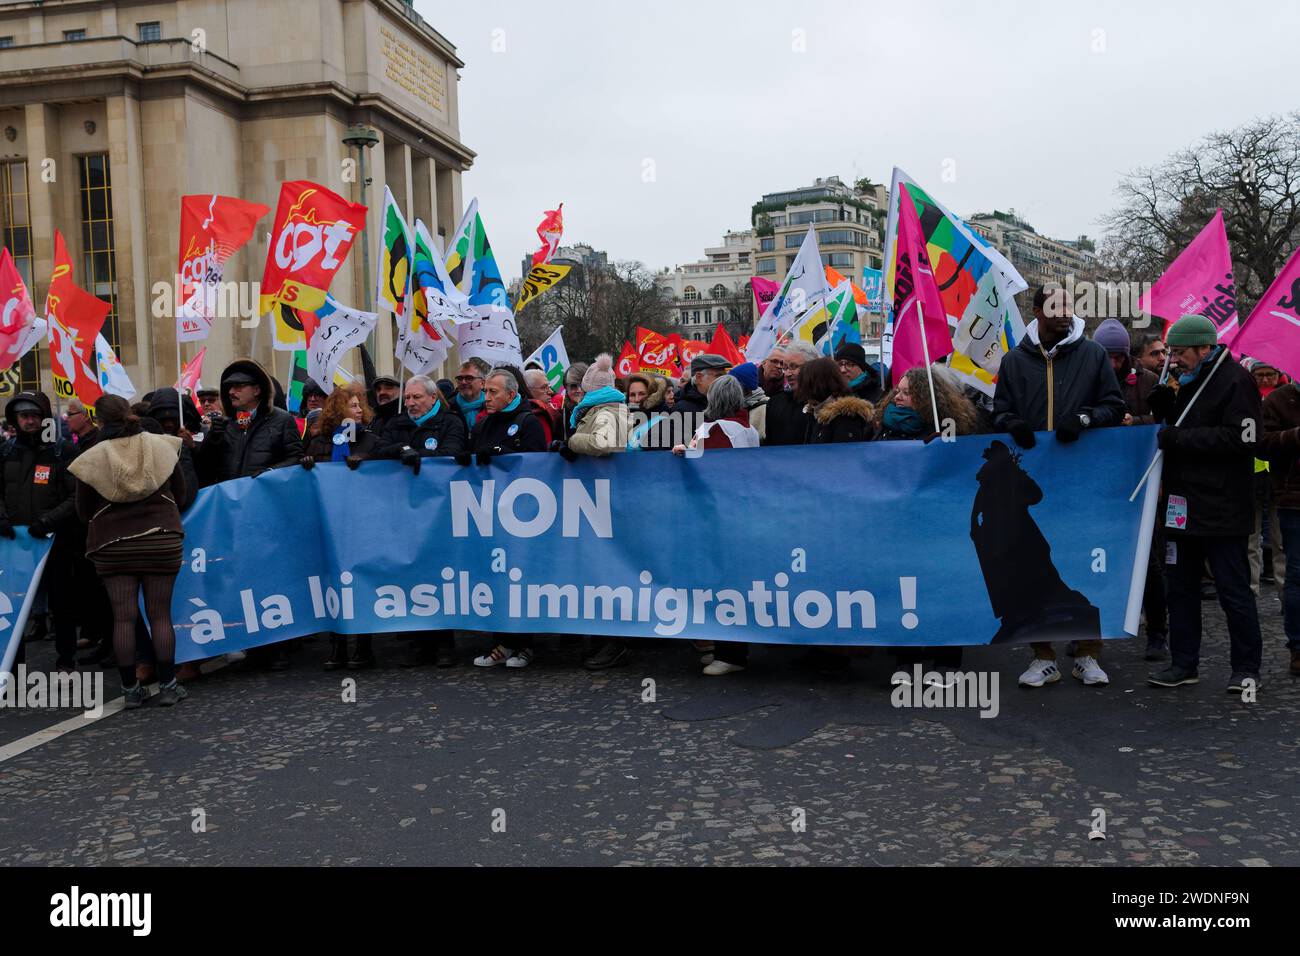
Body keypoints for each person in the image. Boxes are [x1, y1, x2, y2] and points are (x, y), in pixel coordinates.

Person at [993, 284, 1125, 689]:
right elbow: (999, 413)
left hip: (1082, 479)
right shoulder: (1015, 361)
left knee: (1084, 563)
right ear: (1037, 312)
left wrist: (1084, 420)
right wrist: (1012, 424)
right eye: (1056, 308)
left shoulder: (1093, 354)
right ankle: (1042, 655)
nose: (1065, 314)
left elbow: (1114, 406)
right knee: (1035, 569)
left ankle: (1088, 653)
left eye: (1069, 307)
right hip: (1033, 482)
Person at [1146, 315, 1263, 694]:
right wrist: (1163, 408)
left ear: (1205, 348)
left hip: (1224, 508)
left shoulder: (1236, 380)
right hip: (1183, 506)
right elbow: (1173, 429)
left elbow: (1242, 439)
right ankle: (1183, 663)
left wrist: (1180, 438)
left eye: (1180, 353)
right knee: (1180, 588)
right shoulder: (1185, 382)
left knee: (1233, 591)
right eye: (1172, 353)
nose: (1175, 360)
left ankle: (1246, 667)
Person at [68, 395, 191, 709]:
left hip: (114, 545)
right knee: (160, 615)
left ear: (99, 420)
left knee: (123, 619)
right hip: (160, 540)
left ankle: (130, 691)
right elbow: (181, 493)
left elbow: (83, 512)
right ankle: (168, 685)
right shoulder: (162, 446)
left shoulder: (92, 457)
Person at [667, 374, 759, 676]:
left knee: (722, 583)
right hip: (739, 515)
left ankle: (730, 653)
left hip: (719, 517)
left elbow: (710, 469)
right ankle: (729, 649)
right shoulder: (748, 429)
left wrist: (686, 454)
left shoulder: (718, 429)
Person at [372, 375, 467, 668]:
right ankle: (417, 642)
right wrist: (402, 451)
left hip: (439, 510)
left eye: (417, 398)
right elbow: (379, 451)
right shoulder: (397, 424)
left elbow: (452, 453)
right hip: (403, 511)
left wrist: (421, 455)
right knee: (410, 574)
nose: (411, 403)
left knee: (439, 575)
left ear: (432, 398)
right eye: (408, 398)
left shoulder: (450, 422)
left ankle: (443, 643)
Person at [555, 355, 632, 670]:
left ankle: (612, 644)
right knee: (593, 573)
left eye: (580, 388)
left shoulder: (609, 410)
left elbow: (606, 442)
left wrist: (572, 442)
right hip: (594, 500)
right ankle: (600, 640)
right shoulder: (594, 409)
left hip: (608, 501)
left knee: (607, 575)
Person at [299, 384, 380, 669]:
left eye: (360, 406)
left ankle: (364, 646)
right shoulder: (320, 441)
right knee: (332, 583)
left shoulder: (369, 440)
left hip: (360, 525)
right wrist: (307, 462)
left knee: (360, 582)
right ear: (338, 410)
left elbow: (382, 470)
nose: (359, 411)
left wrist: (366, 461)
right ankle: (338, 646)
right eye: (353, 405)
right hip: (329, 523)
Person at [0, 391, 78, 670]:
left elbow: (76, 496)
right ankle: (13, 664)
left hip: (53, 542)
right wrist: (2, 519)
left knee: (62, 602)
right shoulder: (5, 451)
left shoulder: (61, 450)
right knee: (13, 605)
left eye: (34, 416)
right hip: (14, 545)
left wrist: (49, 522)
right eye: (24, 416)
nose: (30, 421)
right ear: (15, 419)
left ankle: (66, 659)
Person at [197, 359, 304, 484]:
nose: (231, 392)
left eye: (238, 386)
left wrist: (270, 472)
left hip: (266, 498)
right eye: (229, 387)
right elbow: (205, 472)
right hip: (230, 499)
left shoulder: (283, 420)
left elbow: (296, 459)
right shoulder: (224, 425)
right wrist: (212, 440)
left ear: (257, 390)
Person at [1261, 373, 1300, 677]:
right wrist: (1296, 434)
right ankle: (1298, 648)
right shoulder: (1278, 400)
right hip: (1293, 501)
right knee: (1297, 576)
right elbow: (1262, 444)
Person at [876, 365, 980, 441]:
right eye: (898, 391)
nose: (897, 397)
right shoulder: (883, 422)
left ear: (925, 397)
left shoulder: (946, 425)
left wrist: (940, 447)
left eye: (906, 393)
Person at [466, 369, 548, 461]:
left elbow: (536, 463)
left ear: (510, 395)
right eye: (485, 391)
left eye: (493, 392)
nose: (487, 398)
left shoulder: (529, 423)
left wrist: (502, 453)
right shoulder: (481, 425)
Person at [796, 357, 875, 443]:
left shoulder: (846, 417)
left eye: (806, 385)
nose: (802, 390)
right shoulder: (815, 411)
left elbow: (845, 454)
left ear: (818, 385)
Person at [764, 343, 818, 445]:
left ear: (812, 366)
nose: (787, 374)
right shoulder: (775, 402)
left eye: (793, 367)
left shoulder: (827, 404)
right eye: (785, 368)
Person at [728, 362, 768, 443]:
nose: (729, 388)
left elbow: (758, 438)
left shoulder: (763, 407)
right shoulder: (734, 404)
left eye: (733, 385)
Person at [454, 358, 491, 432]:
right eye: (460, 378)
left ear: (482, 383)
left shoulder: (492, 407)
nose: (463, 382)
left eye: (469, 378)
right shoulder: (448, 407)